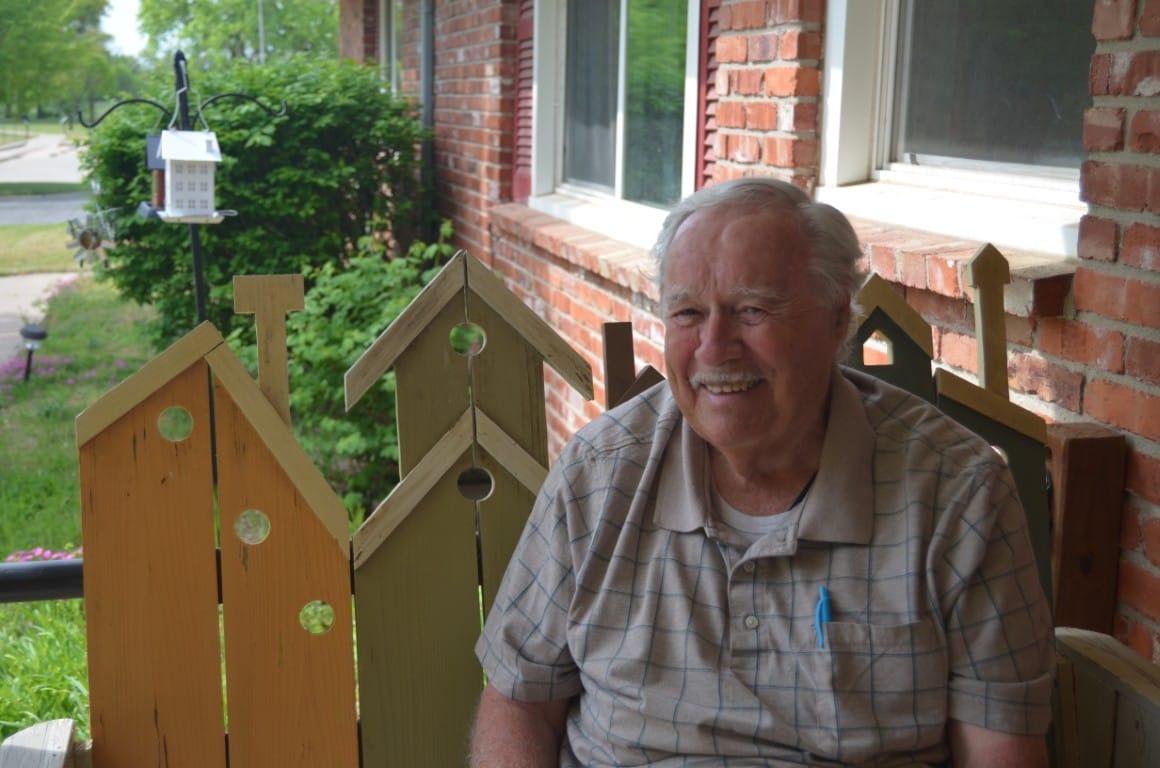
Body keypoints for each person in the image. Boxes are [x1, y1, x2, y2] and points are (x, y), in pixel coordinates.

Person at [471, 177, 1054, 766]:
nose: (715, 347)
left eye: (753, 310)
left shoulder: (958, 495)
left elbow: (1001, 749)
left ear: (835, 321)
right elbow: (519, 700)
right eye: (688, 313)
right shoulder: (598, 478)